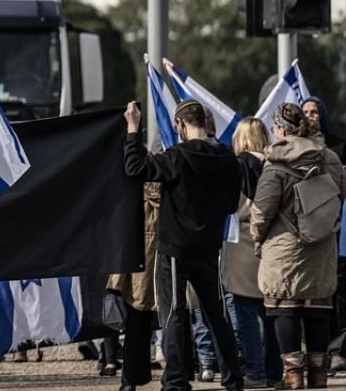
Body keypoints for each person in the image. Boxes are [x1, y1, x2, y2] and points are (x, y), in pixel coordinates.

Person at [123, 99, 243, 391]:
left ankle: (175, 380)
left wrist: (133, 129)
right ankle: (233, 378)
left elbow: (134, 168)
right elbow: (231, 206)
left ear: (180, 124)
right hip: (209, 248)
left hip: (175, 248)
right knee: (217, 314)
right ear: (205, 122)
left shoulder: (176, 157)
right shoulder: (228, 158)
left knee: (174, 314)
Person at [251, 103, 346, 389]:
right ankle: (318, 374)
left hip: (285, 246)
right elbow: (341, 192)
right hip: (322, 242)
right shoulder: (329, 157)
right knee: (317, 307)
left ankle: (293, 376)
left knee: (285, 307)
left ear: (281, 129)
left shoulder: (276, 163)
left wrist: (257, 237)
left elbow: (262, 210)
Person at [222, 118, 281, 388]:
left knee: (246, 316)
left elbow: (228, 205)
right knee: (272, 315)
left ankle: (255, 372)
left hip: (241, 243)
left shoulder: (234, 167)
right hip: (273, 242)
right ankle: (274, 372)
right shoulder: (276, 165)